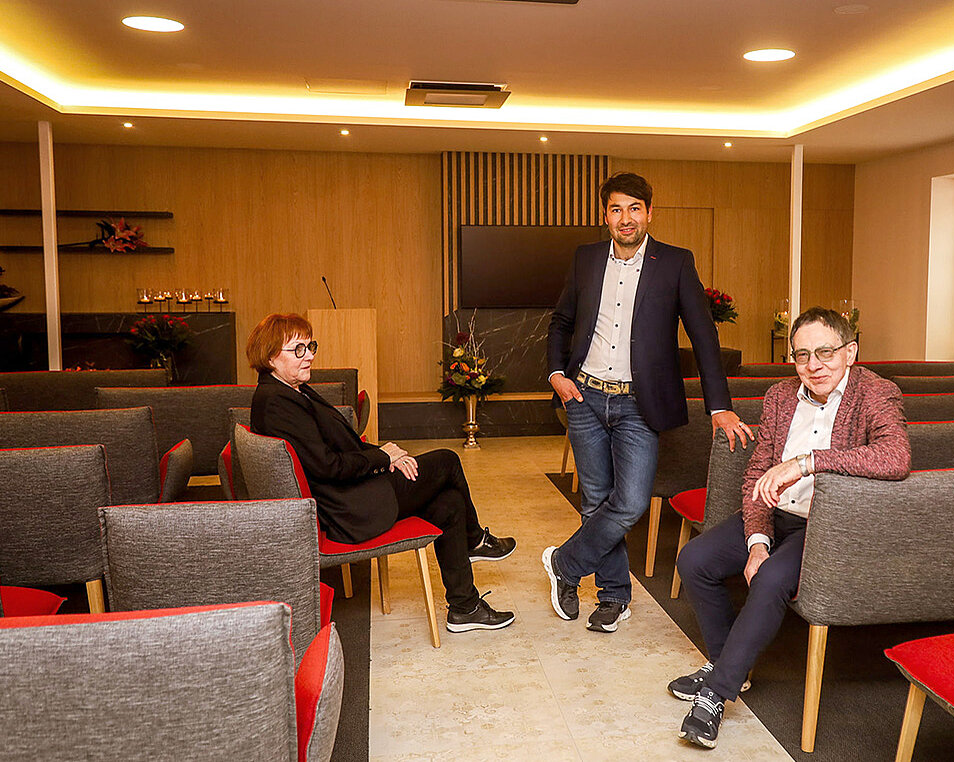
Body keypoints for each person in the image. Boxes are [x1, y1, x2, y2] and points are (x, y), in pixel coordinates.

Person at [671, 306, 910, 748]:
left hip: (825, 526)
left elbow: (895, 457)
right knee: (695, 559)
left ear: (850, 352)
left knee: (770, 580)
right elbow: (756, 474)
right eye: (802, 355)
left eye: (825, 352)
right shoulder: (780, 396)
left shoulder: (876, 392)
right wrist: (758, 542)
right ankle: (730, 665)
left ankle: (715, 693)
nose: (813, 365)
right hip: (775, 513)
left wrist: (806, 462)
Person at [544, 171, 752, 634]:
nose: (626, 218)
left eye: (634, 209)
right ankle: (614, 597)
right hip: (585, 396)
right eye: (616, 209)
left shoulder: (675, 262)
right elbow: (561, 321)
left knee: (630, 502)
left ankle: (565, 563)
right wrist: (557, 374)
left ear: (650, 213)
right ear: (605, 215)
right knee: (595, 500)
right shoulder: (585, 258)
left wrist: (719, 405)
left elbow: (703, 335)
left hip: (640, 404)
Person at [247, 313, 517, 633]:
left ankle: (464, 607)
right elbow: (329, 466)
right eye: (299, 349)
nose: (310, 356)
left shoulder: (291, 391)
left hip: (350, 493)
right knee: (446, 461)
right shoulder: (277, 402)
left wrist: (388, 456)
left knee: (449, 504)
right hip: (347, 507)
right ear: (270, 357)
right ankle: (475, 540)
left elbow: (343, 445)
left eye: (311, 346)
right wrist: (382, 457)